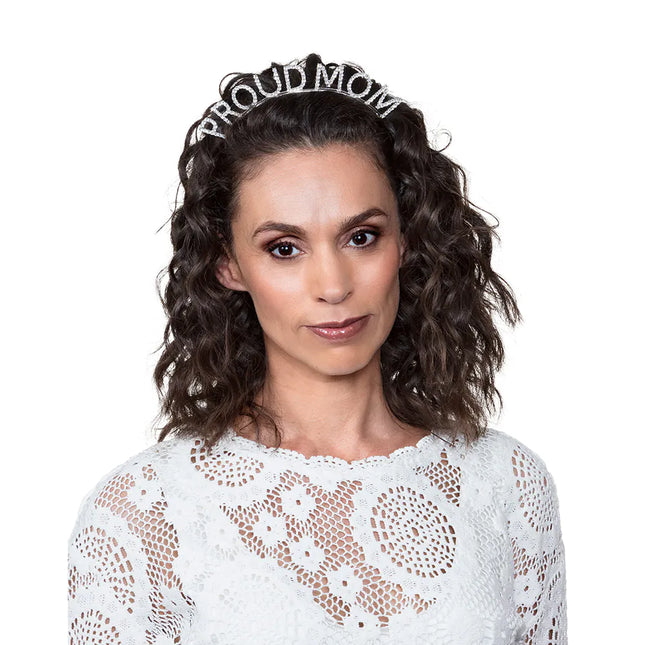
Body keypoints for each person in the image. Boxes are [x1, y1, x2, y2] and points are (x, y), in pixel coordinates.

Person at [67, 53, 567, 644]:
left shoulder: (507, 484)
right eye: (284, 248)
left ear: (406, 240)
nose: (333, 286)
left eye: (362, 237)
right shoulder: (142, 513)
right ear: (228, 263)